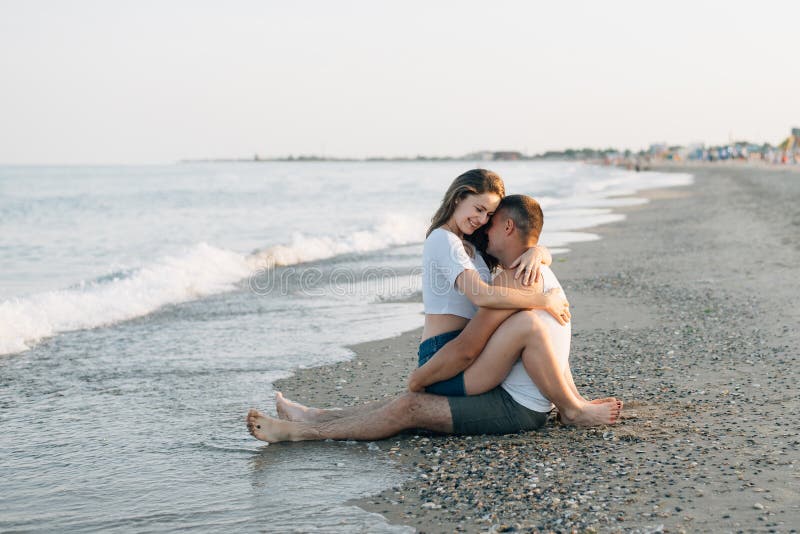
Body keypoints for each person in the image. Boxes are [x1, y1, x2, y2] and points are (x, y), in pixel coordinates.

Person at [246, 188, 621, 443]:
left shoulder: (513, 280)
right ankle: (313, 416)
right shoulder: (523, 270)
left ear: (507, 227)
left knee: (411, 404)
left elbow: (469, 348)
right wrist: (540, 250)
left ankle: (301, 433)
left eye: (490, 220)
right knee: (407, 402)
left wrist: (421, 376)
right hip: (521, 396)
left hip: (517, 408)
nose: (483, 227)